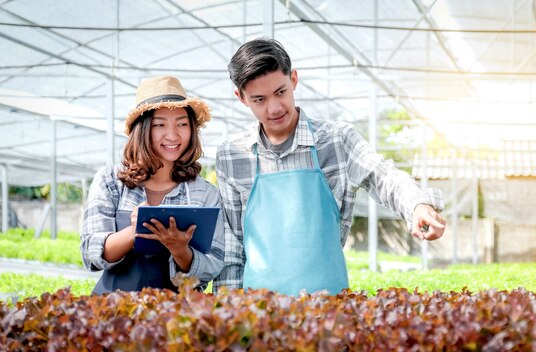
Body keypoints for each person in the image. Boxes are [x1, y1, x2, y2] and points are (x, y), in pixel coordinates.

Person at [213, 38, 446, 296]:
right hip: (258, 312)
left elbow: (383, 174)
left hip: (329, 307)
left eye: (281, 92)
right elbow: (231, 244)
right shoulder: (232, 155)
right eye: (259, 99)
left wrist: (417, 205)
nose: (275, 107)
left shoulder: (336, 140)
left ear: (294, 80)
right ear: (241, 98)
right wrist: (227, 313)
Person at [81, 76, 224, 294]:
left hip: (176, 316)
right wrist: (134, 231)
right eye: (160, 124)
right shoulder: (111, 180)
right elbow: (92, 252)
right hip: (113, 308)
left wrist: (180, 250)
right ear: (143, 129)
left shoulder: (204, 193)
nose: (173, 135)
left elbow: (213, 264)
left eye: (182, 124)